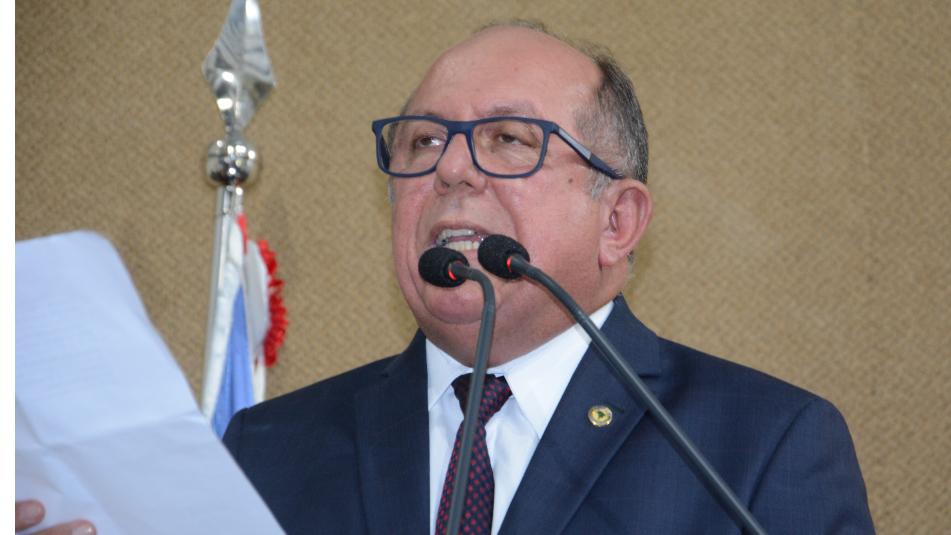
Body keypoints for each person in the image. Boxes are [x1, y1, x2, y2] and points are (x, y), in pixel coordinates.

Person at [18, 21, 874, 535]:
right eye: (423, 141)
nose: (451, 170)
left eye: (509, 140)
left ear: (617, 221)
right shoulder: (269, 449)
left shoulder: (757, 447)